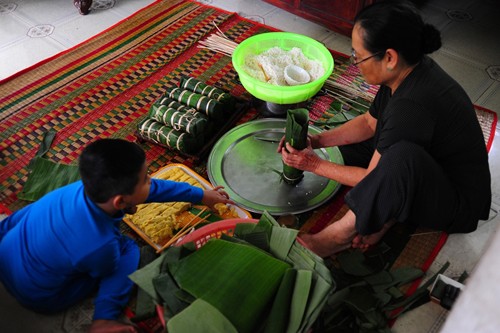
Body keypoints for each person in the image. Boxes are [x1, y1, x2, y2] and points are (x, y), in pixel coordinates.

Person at [279, 0, 491, 257]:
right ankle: (387, 213)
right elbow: (370, 122)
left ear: (389, 57)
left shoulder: (411, 106)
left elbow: (372, 177)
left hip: (454, 202)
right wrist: (318, 141)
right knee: (356, 147)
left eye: (358, 55)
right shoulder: (405, 72)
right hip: (427, 165)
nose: (354, 61)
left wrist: (313, 165)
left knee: (398, 160)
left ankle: (337, 236)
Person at [0, 138, 234, 333]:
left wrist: (201, 195)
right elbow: (106, 269)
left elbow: (18, 219)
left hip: (5, 254)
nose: (151, 182)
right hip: (39, 296)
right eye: (146, 179)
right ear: (120, 202)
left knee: (29, 218)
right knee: (128, 250)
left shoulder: (73, 190)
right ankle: (104, 319)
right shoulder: (100, 245)